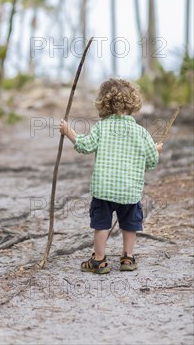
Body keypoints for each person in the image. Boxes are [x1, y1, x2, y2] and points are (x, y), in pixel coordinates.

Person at [59, 78, 163, 274]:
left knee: (101, 225)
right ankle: (127, 259)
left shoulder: (102, 127)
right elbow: (151, 161)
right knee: (130, 226)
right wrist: (156, 150)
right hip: (130, 192)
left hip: (104, 190)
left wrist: (68, 132)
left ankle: (99, 261)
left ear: (103, 103)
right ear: (132, 103)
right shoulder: (141, 133)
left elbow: (84, 146)